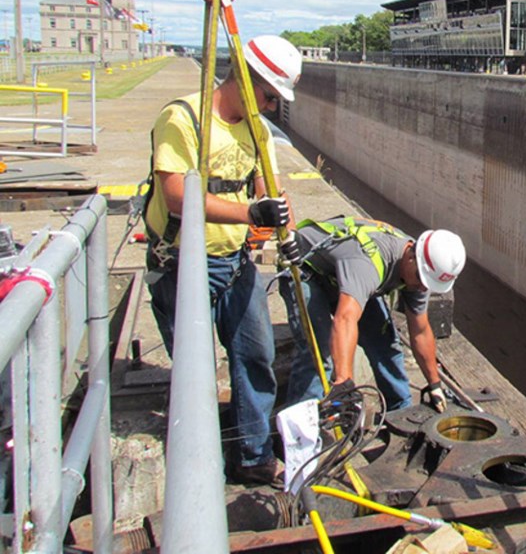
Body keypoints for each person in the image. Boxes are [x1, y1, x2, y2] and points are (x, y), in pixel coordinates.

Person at [144, 34, 303, 487]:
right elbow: (176, 196)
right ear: (247, 78)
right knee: (193, 371)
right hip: (181, 263)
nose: (272, 107)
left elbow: (268, 190)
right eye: (270, 96)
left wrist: (280, 224)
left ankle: (253, 457)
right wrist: (250, 213)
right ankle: (200, 464)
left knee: (256, 356)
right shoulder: (184, 119)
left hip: (234, 262)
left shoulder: (258, 131)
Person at [278, 216, 466, 413]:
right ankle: (300, 432)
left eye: (428, 284)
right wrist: (344, 382)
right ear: (412, 257)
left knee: (385, 344)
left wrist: (434, 383)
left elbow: (420, 330)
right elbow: (345, 318)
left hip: (343, 277)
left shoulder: (420, 270)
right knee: (318, 352)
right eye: (421, 279)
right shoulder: (369, 263)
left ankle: (400, 413)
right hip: (305, 269)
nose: (421, 287)